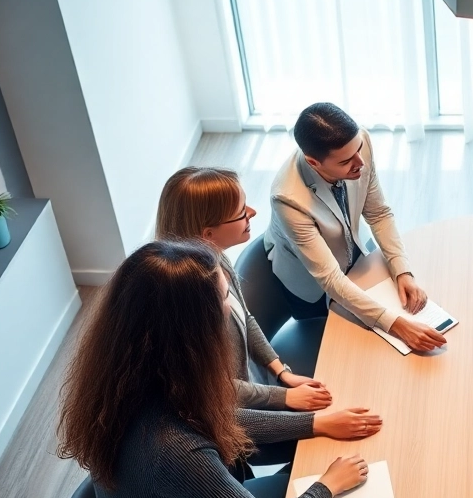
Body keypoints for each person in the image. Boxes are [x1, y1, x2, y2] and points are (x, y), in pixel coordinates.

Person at [57, 240, 373, 498]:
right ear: (193, 329)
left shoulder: (129, 384)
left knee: (293, 484)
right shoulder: (172, 450)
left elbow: (221, 418)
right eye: (224, 298)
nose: (230, 307)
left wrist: (316, 423)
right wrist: (328, 484)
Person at [156, 167, 383, 470]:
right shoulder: (187, 313)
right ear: (207, 234)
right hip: (232, 424)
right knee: (347, 434)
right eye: (240, 212)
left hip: (251, 390)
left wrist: (281, 372)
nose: (252, 212)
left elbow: (246, 318)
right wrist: (285, 399)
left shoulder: (215, 261)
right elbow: (220, 395)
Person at [267, 102, 446, 353]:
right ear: (314, 163)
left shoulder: (358, 142)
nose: (359, 162)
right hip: (311, 284)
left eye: (359, 150)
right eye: (346, 161)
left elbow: (379, 213)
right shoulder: (288, 199)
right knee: (342, 348)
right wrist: (396, 325)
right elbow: (329, 278)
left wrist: (403, 270)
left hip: (353, 253)